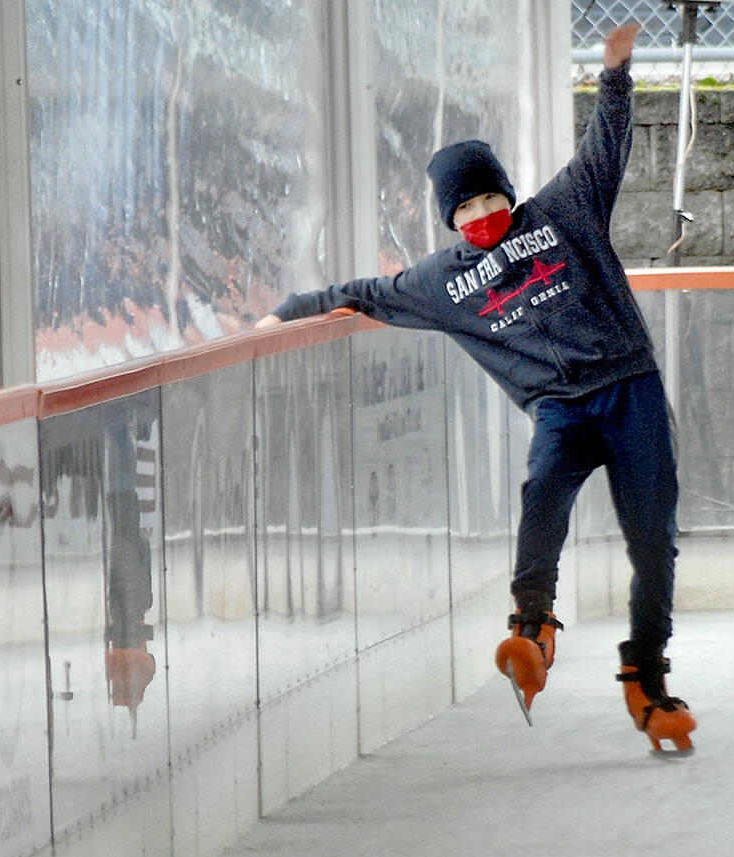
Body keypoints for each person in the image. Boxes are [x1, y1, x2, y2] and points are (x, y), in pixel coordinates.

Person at [255, 24, 694, 754]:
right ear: (449, 220)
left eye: (491, 198)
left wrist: (615, 72)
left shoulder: (564, 210)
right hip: (558, 407)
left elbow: (606, 141)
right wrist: (278, 318)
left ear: (510, 194)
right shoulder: (442, 281)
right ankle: (533, 623)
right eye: (465, 210)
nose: (481, 215)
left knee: (654, 544)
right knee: (542, 490)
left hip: (629, 387)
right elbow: (359, 291)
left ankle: (644, 675)